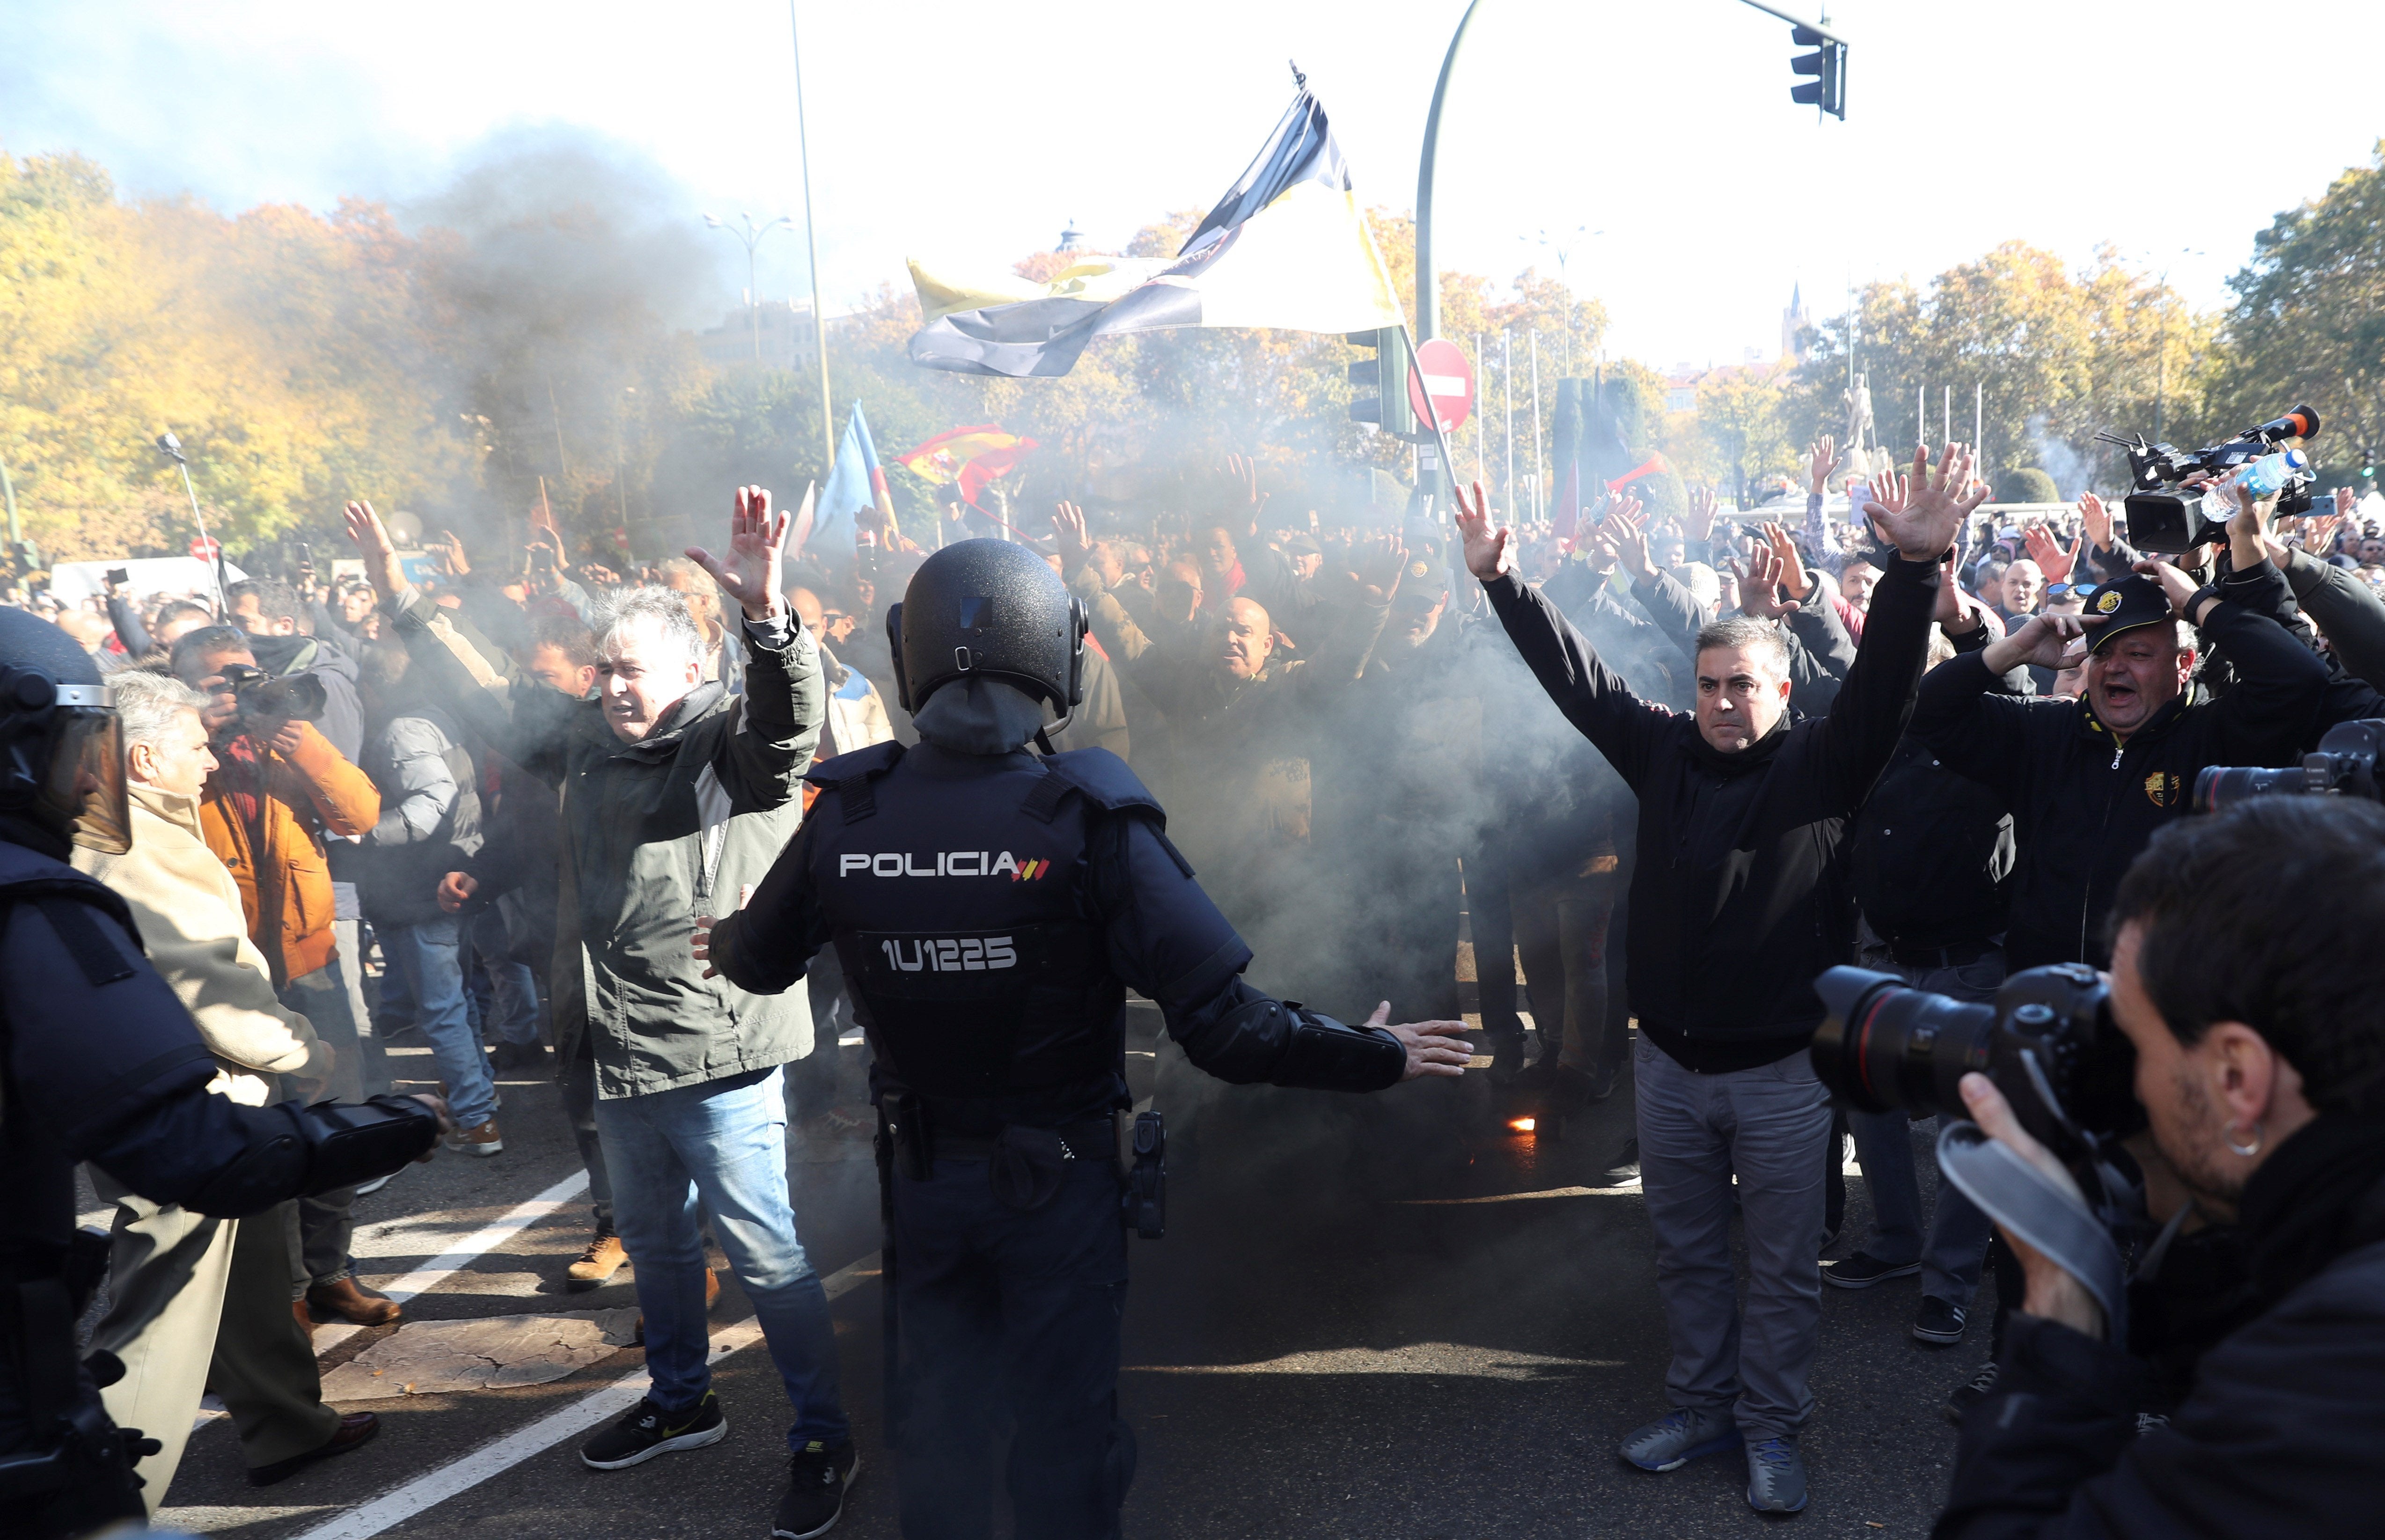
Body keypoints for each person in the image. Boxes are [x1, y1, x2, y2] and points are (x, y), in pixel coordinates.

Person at [699, 538, 1474, 1540]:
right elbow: (1228, 1029)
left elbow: (756, 961)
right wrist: (1375, 1052)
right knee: (1064, 1446)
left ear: (912, 653)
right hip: (1056, 1193)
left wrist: (720, 933)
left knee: (937, 1438)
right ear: (1058, 658)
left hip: (926, 1189)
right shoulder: (1088, 818)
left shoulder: (851, 811)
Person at [1455, 444, 1980, 1514]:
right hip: (1670, 1066)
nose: (1722, 703)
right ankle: (1700, 1406)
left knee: (1782, 1272)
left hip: (1784, 1073)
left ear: (1782, 688)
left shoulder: (1826, 761)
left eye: (1743, 685)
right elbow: (1577, 680)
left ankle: (1772, 1426)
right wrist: (1503, 582)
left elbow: (1884, 684)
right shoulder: (1660, 751)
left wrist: (1915, 570)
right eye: (1707, 687)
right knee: (1686, 1255)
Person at [349, 489, 853, 1539]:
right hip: (615, 1049)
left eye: (634, 669)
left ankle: (821, 1434)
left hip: (714, 1052)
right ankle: (681, 1401)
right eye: (605, 668)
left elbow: (790, 722)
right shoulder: (582, 737)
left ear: (689, 672)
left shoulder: (728, 742)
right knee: (661, 1250)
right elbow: (490, 699)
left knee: (765, 1256)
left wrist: (768, 617)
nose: (614, 686)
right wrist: (404, 601)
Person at [0, 608, 445, 1539]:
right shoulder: (125, 854)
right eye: (194, 744)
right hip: (195, 1109)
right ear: (145, 759)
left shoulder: (147, 831)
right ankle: (112, 1495)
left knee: (254, 1271)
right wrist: (317, 1074)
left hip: (213, 1105)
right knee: (163, 1306)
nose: (211, 756)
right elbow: (210, 1000)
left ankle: (288, 1423)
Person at [1936, 796, 2385, 1539]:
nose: (2124, 1087)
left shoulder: (2329, 1379)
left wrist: (2060, 1316)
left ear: (2238, 1079)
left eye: (2134, 1045)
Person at [169, 627, 396, 1327]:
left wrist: (299, 739)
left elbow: (359, 811)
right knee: (264, 1130)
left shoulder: (281, 744)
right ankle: (288, 1291)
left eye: (243, 675)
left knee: (333, 1123)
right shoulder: (177, 758)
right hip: (229, 975)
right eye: (217, 682)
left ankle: (331, 1272)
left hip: (313, 964)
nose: (237, 691)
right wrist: (197, 726)